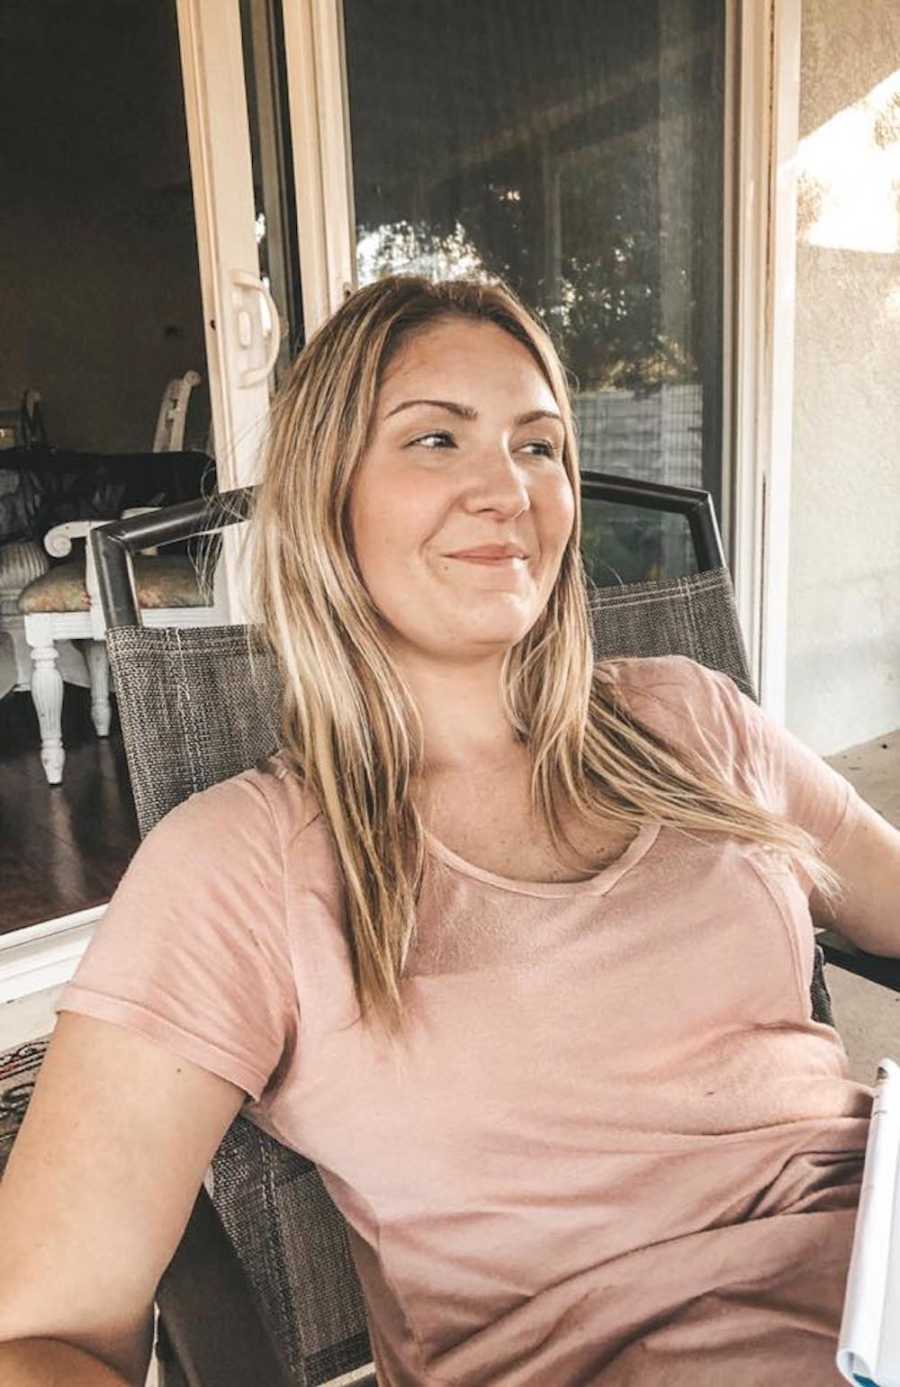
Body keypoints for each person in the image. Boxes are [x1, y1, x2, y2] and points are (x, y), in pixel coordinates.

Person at [0, 274, 898, 1387]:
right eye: (436, 441)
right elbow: (32, 1333)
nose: (508, 490)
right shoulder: (240, 867)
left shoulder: (695, 718)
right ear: (329, 495)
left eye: (539, 445)